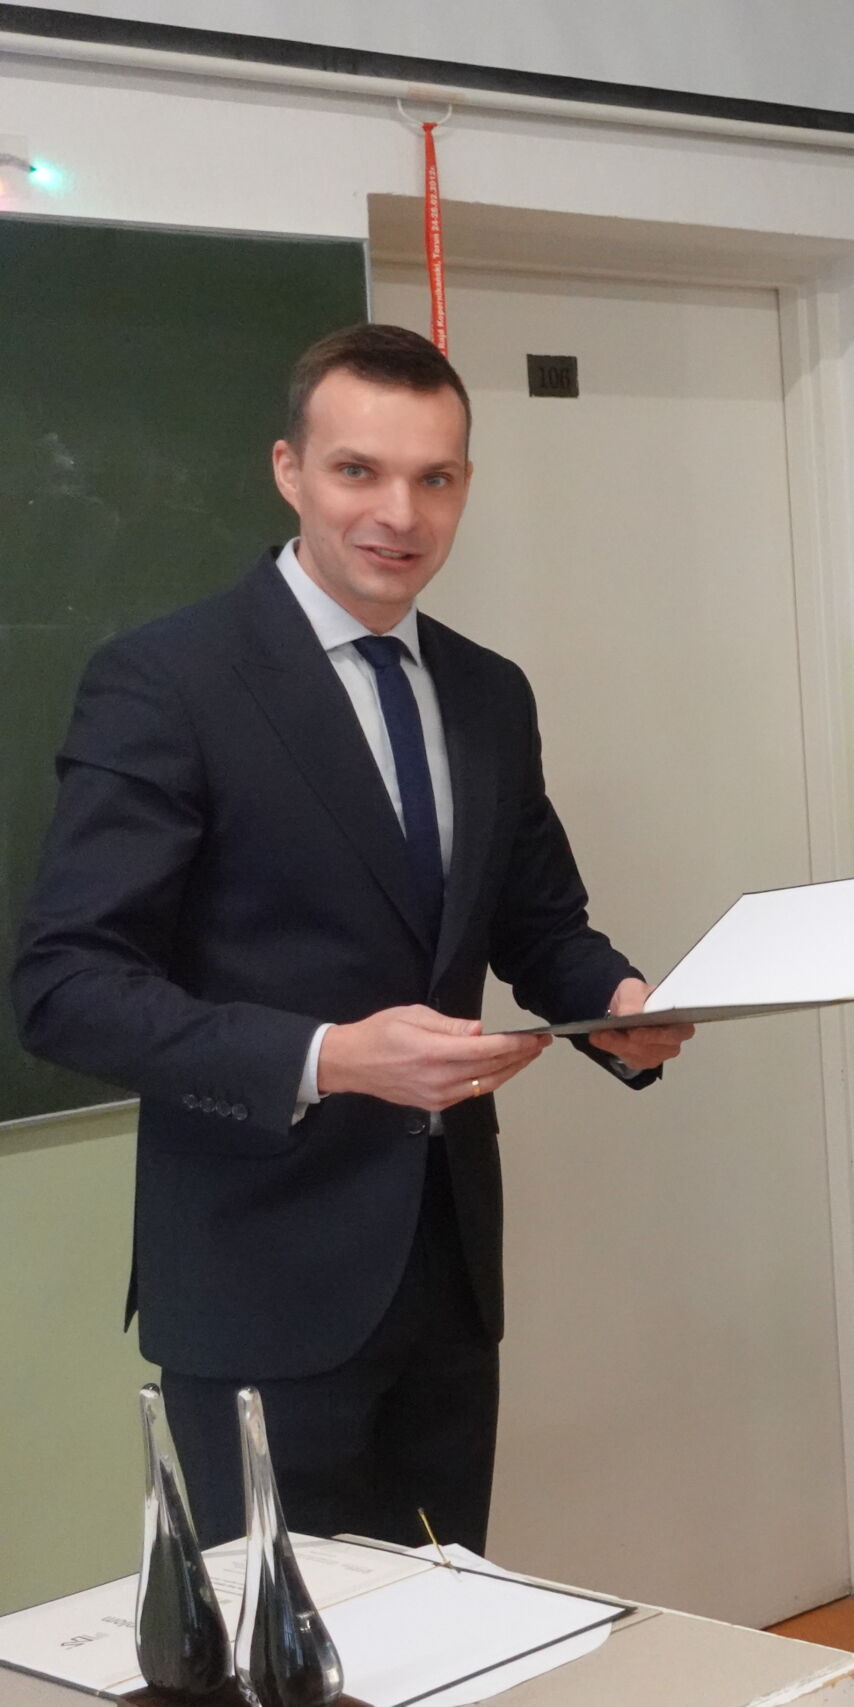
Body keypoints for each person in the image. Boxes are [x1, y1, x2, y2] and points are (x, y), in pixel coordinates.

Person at [11, 323, 693, 1553]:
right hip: (256, 1280)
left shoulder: (488, 692)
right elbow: (65, 987)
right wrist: (328, 1057)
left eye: (435, 478)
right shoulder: (168, 680)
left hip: (447, 1278)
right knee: (288, 1644)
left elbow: (538, 922)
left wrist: (620, 1004)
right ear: (289, 470)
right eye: (357, 471)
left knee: (453, 1621)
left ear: (466, 486)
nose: (399, 513)